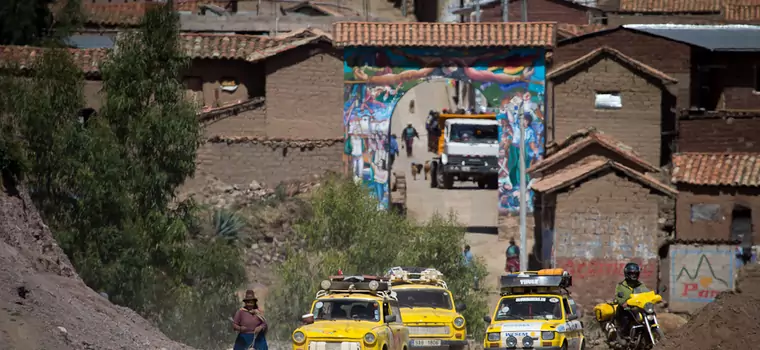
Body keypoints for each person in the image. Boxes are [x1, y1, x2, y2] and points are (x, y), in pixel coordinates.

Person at [613, 263, 650, 344]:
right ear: (627, 274)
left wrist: (654, 297)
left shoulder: (640, 285)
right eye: (631, 273)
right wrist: (623, 302)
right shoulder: (621, 286)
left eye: (635, 273)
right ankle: (623, 335)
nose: (634, 275)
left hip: (638, 309)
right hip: (626, 309)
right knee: (626, 317)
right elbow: (619, 297)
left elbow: (647, 293)